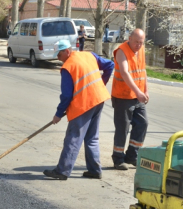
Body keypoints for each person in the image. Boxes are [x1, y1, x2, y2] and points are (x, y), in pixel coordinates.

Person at [43, 39, 114, 180]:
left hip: (84, 104)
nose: (58, 58)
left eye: (59, 55)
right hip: (98, 99)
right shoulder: (89, 55)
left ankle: (62, 171)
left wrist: (58, 114)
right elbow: (110, 65)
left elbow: (67, 95)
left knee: (73, 138)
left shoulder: (68, 67)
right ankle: (95, 170)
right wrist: (101, 85)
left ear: (67, 51)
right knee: (92, 137)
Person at [111, 28, 149, 170]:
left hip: (138, 95)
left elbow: (143, 71)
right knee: (123, 128)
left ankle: (132, 156)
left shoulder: (141, 50)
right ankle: (118, 158)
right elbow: (125, 73)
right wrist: (138, 92)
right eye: (136, 42)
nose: (139, 45)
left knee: (143, 123)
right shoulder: (121, 51)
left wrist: (145, 90)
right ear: (130, 39)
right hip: (123, 97)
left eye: (141, 42)